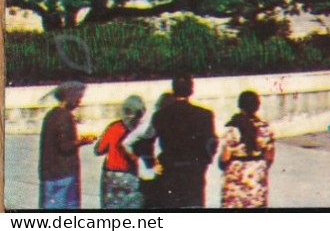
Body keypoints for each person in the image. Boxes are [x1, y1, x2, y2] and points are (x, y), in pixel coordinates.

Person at [153, 74, 218, 209]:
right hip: (194, 171)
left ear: (173, 90)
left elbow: (144, 141)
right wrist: (204, 162)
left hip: (169, 171)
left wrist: (151, 162)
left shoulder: (160, 115)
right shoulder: (204, 114)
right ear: (191, 90)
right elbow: (211, 142)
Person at [39, 82, 92, 209]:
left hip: (49, 174)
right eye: (78, 98)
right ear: (70, 98)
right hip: (63, 174)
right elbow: (65, 146)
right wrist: (83, 141)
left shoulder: (51, 115)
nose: (79, 102)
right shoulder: (64, 116)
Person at [219, 91, 276, 209]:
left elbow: (225, 157)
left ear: (240, 105)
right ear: (257, 106)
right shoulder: (265, 128)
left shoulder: (232, 128)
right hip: (256, 179)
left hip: (235, 181)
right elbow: (269, 156)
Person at [95, 95, 145, 210]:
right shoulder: (141, 129)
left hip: (111, 175)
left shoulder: (113, 126)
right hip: (132, 174)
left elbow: (99, 150)